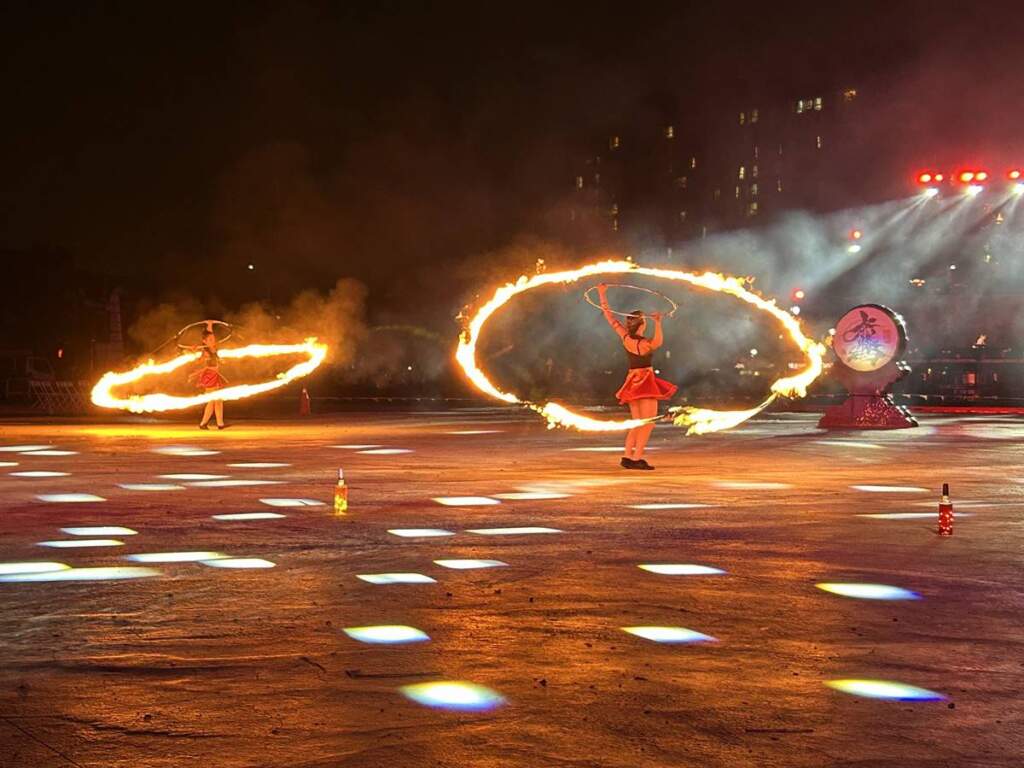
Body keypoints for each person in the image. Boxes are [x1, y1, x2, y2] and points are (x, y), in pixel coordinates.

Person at [597, 284, 677, 470]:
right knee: (647, 423)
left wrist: (602, 293)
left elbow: (609, 317)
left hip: (633, 381)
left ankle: (627, 456)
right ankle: (636, 458)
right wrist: (658, 323)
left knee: (637, 422)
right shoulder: (643, 343)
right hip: (645, 382)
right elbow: (657, 343)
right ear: (643, 323)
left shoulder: (625, 337)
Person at [188, 328, 229, 430]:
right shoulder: (205, 351)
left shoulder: (214, 349)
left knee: (218, 400)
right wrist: (193, 352)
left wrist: (209, 324)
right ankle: (203, 423)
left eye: (213, 339)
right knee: (212, 400)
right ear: (204, 342)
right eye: (210, 340)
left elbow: (216, 358)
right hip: (209, 376)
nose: (213, 341)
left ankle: (220, 423)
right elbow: (198, 361)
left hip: (216, 374)